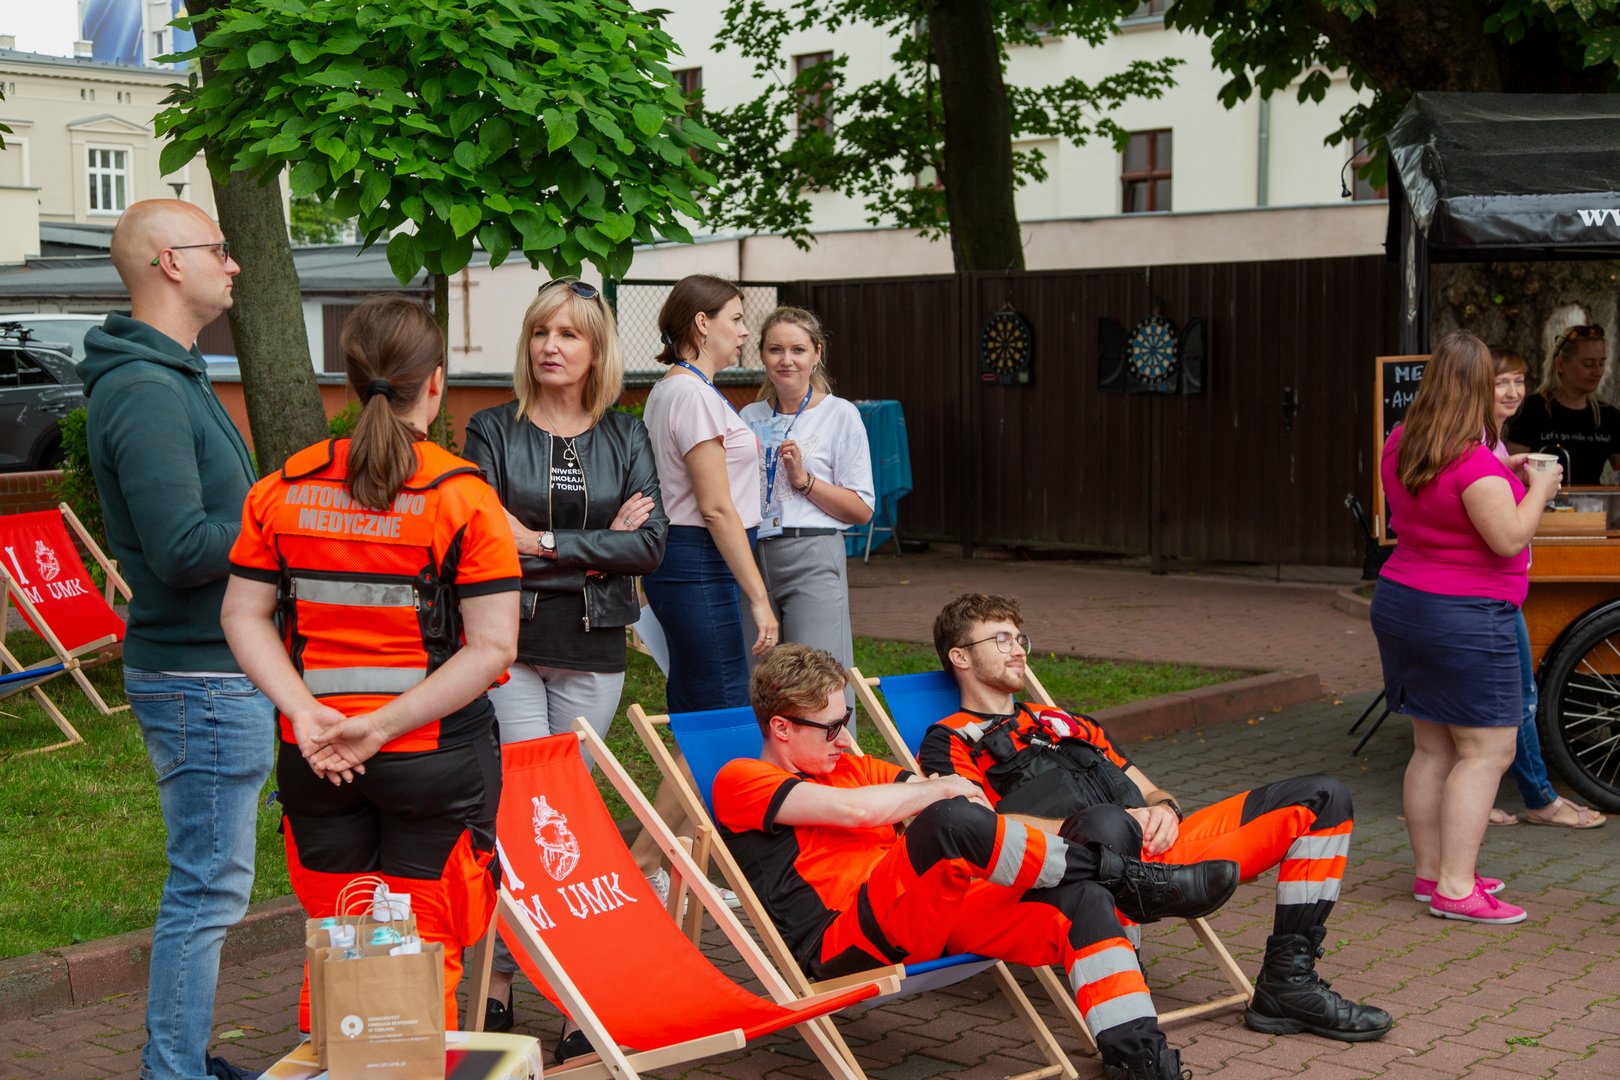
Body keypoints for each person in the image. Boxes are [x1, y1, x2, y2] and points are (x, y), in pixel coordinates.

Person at [717, 644, 1242, 1080]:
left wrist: (938, 791)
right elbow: (861, 811)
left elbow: (960, 794)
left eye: (845, 721)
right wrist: (936, 792)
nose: (842, 737)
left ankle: (1140, 1060)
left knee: (1082, 901)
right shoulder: (741, 779)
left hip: (926, 913)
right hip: (843, 939)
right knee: (944, 820)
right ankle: (1129, 878)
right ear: (781, 727)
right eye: (829, 727)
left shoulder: (852, 768)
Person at [220, 296, 520, 1033]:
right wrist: (380, 729)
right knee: (423, 953)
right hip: (432, 760)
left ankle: (336, 1062)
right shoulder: (462, 497)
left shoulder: (282, 490)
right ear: (436, 382)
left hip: (317, 757)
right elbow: (492, 647)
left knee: (337, 944)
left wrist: (305, 714)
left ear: (352, 382)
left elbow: (242, 615)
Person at [916, 593, 1392, 1045]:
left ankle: (1288, 982)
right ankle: (1126, 971)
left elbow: (1149, 789)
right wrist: (1099, 823)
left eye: (1020, 638)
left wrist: (1165, 810)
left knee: (1323, 796)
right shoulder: (949, 739)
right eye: (1000, 639)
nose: (1018, 649)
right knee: (1107, 824)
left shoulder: (1066, 722)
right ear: (961, 656)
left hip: (1165, 860)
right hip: (1071, 871)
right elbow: (974, 825)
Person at [78, 199, 272, 1080]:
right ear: (168, 262)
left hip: (215, 672)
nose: (233, 265)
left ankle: (180, 1062)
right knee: (206, 892)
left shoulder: (174, 374)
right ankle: (172, 1071)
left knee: (211, 888)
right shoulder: (147, 389)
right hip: (200, 680)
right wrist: (284, 527)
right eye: (218, 250)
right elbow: (183, 548)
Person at [462, 278, 668, 1042]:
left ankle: (576, 986)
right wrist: (598, 547)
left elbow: (650, 546)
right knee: (520, 814)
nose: (551, 346)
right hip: (508, 643)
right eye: (541, 331)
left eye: (569, 334)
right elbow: (484, 541)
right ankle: (499, 983)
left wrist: (543, 542)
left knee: (567, 821)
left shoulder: (627, 436)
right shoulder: (491, 429)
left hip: (593, 648)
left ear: (596, 349)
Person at [1371, 330, 1562, 924]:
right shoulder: (1473, 462)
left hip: (1404, 601)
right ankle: (1457, 887)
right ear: (1478, 389)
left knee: (1432, 747)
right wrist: (1539, 487)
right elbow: (1508, 536)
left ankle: (1433, 874)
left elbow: (1444, 500)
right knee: (1487, 751)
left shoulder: (1403, 441)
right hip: (1466, 617)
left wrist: (1504, 468)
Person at [642, 274, 777, 711]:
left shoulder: (676, 387)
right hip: (699, 560)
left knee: (698, 701)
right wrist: (760, 599)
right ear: (702, 322)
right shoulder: (692, 394)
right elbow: (716, 508)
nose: (744, 332)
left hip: (690, 560)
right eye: (735, 319)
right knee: (721, 702)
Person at [1488, 346, 1606, 830]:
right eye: (1501, 382)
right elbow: (1505, 532)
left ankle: (1476, 796)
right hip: (1491, 591)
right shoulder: (1477, 446)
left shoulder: (1491, 444)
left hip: (1491, 588)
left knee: (1487, 704)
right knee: (1519, 698)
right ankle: (1538, 798)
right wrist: (1537, 488)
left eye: (1518, 381)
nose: (1513, 391)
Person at [739, 307, 873, 711]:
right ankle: (768, 753)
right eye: (775, 349)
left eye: (798, 350)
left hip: (811, 553)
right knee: (759, 680)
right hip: (754, 556)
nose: (787, 360)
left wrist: (803, 481)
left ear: (817, 353)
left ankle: (835, 751)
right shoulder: (748, 417)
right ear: (762, 356)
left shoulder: (840, 414)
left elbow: (862, 509)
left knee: (820, 682)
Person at [1507, 324, 1620, 484]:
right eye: (1588, 364)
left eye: (1601, 363)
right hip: (1542, 498)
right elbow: (1512, 473)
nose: (1597, 371)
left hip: (1591, 499)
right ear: (1560, 364)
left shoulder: (1609, 416)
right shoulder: (1531, 409)